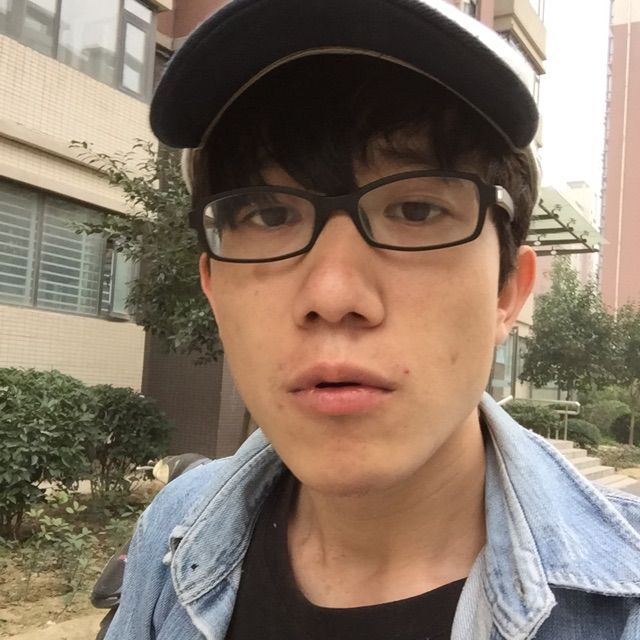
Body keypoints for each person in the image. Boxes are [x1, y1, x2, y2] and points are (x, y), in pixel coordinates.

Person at [106, 1, 640, 638]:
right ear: (215, 291)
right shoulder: (174, 530)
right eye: (270, 216)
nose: (333, 295)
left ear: (508, 292)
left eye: (416, 210)